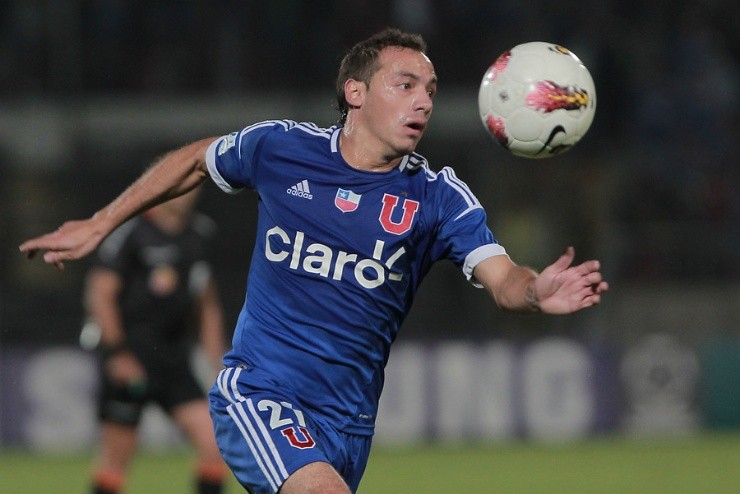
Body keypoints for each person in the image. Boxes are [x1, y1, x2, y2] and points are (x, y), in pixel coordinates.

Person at [20, 28, 608, 494]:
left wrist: (535, 291)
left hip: (348, 423)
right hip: (262, 392)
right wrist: (102, 221)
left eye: (430, 90)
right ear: (356, 92)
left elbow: (503, 278)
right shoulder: (283, 149)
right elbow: (197, 160)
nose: (424, 101)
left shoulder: (438, 197)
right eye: (405, 85)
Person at [81, 188, 229, 494]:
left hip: (174, 358)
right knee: (116, 459)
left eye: (193, 186)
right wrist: (117, 353)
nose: (186, 193)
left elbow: (207, 305)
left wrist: (219, 362)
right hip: (131, 357)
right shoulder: (131, 232)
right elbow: (99, 293)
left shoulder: (200, 233)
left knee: (215, 444)